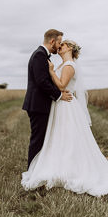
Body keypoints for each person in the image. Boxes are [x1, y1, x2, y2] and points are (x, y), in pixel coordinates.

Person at [21, 39, 108, 197]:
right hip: (60, 104)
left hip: (66, 106)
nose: (60, 47)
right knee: (58, 137)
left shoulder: (69, 66)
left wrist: (52, 71)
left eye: (63, 45)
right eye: (60, 45)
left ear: (70, 49)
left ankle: (72, 171)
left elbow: (61, 85)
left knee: (69, 138)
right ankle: (59, 168)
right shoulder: (63, 65)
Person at [22, 29, 73, 169]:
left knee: (41, 140)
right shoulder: (39, 55)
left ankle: (37, 170)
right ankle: (32, 173)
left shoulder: (42, 55)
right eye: (59, 42)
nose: (59, 45)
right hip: (38, 105)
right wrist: (59, 95)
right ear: (52, 41)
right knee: (38, 141)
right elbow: (42, 82)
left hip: (39, 105)